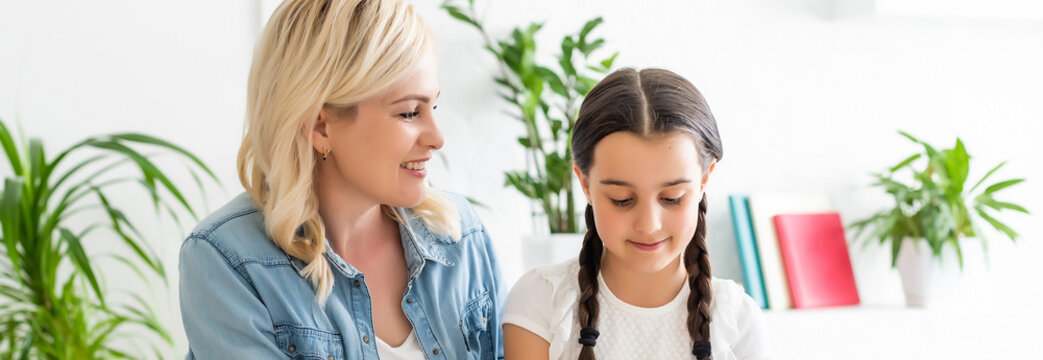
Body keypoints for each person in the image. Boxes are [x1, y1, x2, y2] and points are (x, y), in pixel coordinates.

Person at [178, 0, 505, 358]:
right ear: (321, 125)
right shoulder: (228, 262)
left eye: (433, 107)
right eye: (410, 112)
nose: (437, 138)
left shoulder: (459, 234)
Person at [502, 68, 772, 360]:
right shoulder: (542, 301)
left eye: (672, 198)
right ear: (585, 184)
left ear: (705, 179)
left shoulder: (738, 321)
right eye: (622, 200)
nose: (648, 225)